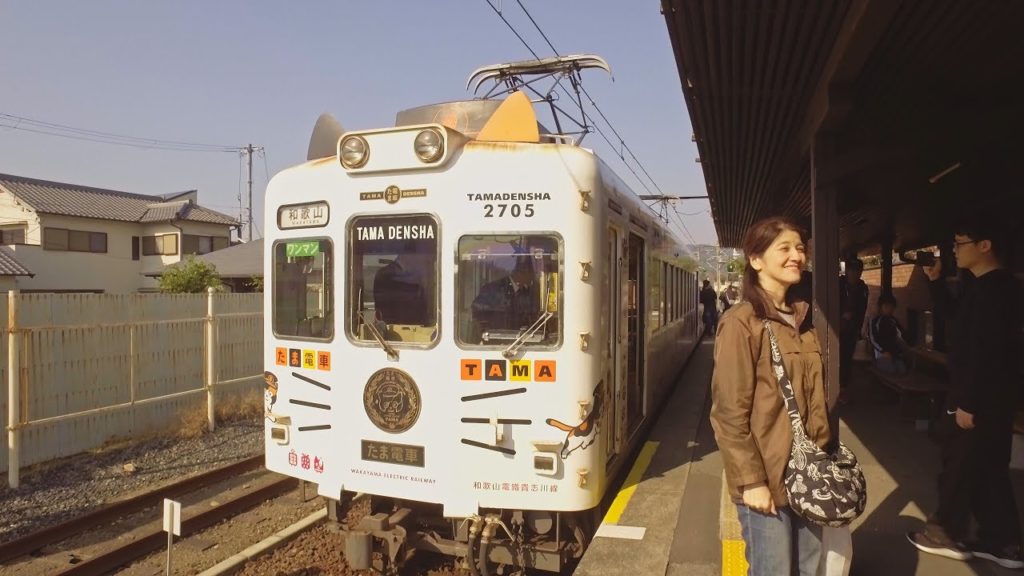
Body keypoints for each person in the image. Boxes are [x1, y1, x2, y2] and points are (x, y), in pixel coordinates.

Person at [710, 217, 833, 575]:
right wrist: (751, 482)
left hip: (809, 475)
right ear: (756, 259)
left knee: (808, 569)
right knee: (774, 570)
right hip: (766, 478)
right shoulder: (741, 323)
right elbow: (728, 413)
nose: (797, 255)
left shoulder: (803, 320)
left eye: (800, 248)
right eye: (785, 248)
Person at [908, 213, 1023, 568]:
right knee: (989, 469)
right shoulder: (992, 287)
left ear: (984, 246)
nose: (955, 250)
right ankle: (1004, 543)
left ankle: (945, 531)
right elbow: (957, 321)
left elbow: (988, 353)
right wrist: (937, 281)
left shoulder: (996, 292)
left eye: (960, 243)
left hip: (977, 399)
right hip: (995, 401)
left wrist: (968, 403)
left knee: (957, 466)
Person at [471, 254, 540, 331]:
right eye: (531, 274)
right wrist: (497, 309)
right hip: (494, 337)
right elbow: (477, 308)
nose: (533, 278)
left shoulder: (527, 292)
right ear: (521, 273)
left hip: (519, 338)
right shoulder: (493, 289)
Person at [839, 258, 869, 400]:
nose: (855, 274)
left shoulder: (863, 288)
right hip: (835, 328)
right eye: (852, 270)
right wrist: (841, 315)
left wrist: (858, 328)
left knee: (846, 360)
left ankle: (843, 390)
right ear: (847, 271)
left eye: (858, 270)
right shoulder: (838, 284)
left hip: (851, 331)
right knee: (834, 358)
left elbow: (863, 310)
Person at [867, 294, 910, 376]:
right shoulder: (874, 320)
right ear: (881, 306)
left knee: (902, 371)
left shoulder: (893, 320)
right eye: (887, 306)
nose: (890, 309)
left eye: (892, 307)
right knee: (891, 371)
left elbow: (902, 334)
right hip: (881, 354)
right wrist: (883, 351)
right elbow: (872, 339)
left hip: (895, 354)